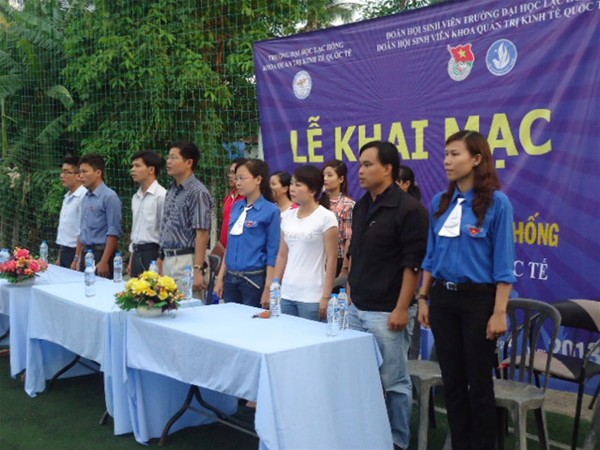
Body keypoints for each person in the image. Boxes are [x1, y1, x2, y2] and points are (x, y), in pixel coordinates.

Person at [419, 130, 516, 450]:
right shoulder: (440, 202)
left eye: (455, 154)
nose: (447, 161)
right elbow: (431, 257)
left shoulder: (497, 204)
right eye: (446, 154)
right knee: (453, 384)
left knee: (479, 385)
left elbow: (504, 265)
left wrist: (499, 312)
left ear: (476, 159)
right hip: (443, 300)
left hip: (479, 301)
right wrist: (423, 297)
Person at [346, 141, 428, 450]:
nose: (361, 171)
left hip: (388, 311)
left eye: (368, 164)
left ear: (388, 168)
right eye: (360, 164)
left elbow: (413, 264)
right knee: (359, 377)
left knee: (394, 382)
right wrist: (351, 288)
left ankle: (397, 440)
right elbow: (356, 252)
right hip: (357, 308)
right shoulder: (361, 206)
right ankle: (364, 434)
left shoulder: (409, 210)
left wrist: (402, 307)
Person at [274, 165, 338, 321]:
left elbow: (332, 259)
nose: (292, 189)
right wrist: (275, 283)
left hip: (312, 296)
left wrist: (326, 296)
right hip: (287, 293)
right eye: (291, 184)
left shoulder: (326, 217)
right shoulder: (287, 216)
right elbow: (282, 254)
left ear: (312, 191)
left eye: (298, 185)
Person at [215, 159, 280, 307]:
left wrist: (268, 287)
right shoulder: (237, 207)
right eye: (236, 178)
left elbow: (273, 252)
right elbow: (230, 245)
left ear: (258, 179)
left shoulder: (271, 211)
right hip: (231, 277)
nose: (238, 183)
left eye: (242, 178)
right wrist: (220, 278)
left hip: (253, 279)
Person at [158, 141, 213, 298]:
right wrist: (161, 258)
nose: (169, 162)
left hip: (186, 260)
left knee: (187, 307)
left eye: (174, 157)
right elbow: (166, 227)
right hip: (168, 259)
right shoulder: (171, 190)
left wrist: (198, 269)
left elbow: (202, 233)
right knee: (167, 308)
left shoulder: (197, 192)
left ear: (189, 162)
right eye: (169, 157)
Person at [71, 154, 122, 278]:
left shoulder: (110, 197)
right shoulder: (85, 197)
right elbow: (82, 230)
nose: (80, 176)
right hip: (86, 254)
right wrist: (77, 258)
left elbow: (114, 232)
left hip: (101, 253)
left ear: (98, 173)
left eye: (85, 172)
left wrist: (104, 261)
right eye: (80, 172)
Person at [128, 151, 166, 277]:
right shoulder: (135, 197)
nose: (133, 170)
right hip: (136, 253)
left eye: (137, 166)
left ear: (151, 169)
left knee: (151, 288)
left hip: (153, 254)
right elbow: (135, 230)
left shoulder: (161, 196)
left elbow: (165, 231)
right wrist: (131, 258)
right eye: (133, 166)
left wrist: (161, 259)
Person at [322, 159, 355, 278]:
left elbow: (348, 239)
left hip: (337, 260)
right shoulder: (317, 202)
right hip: (318, 258)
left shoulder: (348, 205)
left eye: (330, 175)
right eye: (324, 175)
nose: (325, 178)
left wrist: (345, 268)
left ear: (341, 179)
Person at [56, 156, 87, 268]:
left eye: (66, 172)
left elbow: (82, 230)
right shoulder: (67, 196)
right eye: (62, 172)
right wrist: (60, 256)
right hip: (64, 250)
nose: (62, 176)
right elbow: (64, 230)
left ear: (78, 176)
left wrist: (77, 258)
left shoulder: (83, 196)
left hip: (76, 252)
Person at [216, 157, 247, 254]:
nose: (230, 176)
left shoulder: (248, 200)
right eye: (230, 172)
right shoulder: (228, 198)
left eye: (233, 173)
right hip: (225, 252)